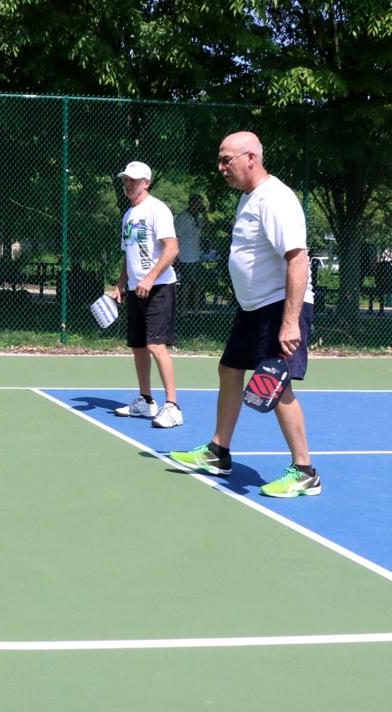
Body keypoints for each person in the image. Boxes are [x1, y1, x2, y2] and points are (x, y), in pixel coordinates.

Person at [170, 131, 320, 498]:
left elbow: (297, 259)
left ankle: (305, 471)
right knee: (230, 368)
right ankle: (218, 452)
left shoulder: (276, 199)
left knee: (274, 384)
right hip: (253, 308)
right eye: (220, 160)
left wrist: (289, 321)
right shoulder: (248, 198)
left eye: (227, 160)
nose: (221, 168)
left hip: (278, 306)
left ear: (251, 157)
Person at [111, 161, 183, 429]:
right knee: (138, 346)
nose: (129, 183)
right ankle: (145, 401)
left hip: (160, 287)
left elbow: (172, 248)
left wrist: (150, 279)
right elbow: (128, 255)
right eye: (126, 179)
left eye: (135, 179)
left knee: (155, 345)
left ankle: (173, 406)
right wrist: (120, 284)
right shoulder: (128, 215)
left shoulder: (157, 209)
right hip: (134, 290)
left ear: (147, 182)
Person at [174, 194, 208, 309]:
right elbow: (175, 236)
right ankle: (183, 310)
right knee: (186, 284)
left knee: (198, 283)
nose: (200, 206)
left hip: (196, 255)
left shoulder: (198, 217)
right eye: (198, 203)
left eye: (201, 204)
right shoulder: (183, 217)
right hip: (186, 256)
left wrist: (205, 214)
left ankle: (196, 311)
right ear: (192, 203)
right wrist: (176, 255)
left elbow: (207, 227)